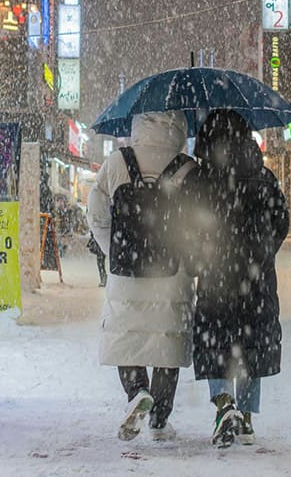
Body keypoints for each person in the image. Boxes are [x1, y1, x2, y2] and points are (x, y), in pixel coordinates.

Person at [181, 109, 289, 448]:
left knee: (216, 338)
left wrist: (198, 257)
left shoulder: (199, 179)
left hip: (217, 274)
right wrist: (264, 251)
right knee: (252, 342)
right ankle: (246, 416)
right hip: (256, 277)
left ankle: (223, 403)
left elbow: (185, 225)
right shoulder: (264, 176)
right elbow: (282, 220)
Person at [86, 111, 196, 442]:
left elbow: (95, 211)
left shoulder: (117, 161)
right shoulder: (188, 167)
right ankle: (160, 420)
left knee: (127, 337)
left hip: (126, 270)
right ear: (179, 127)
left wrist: (113, 250)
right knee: (166, 343)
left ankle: (136, 391)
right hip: (171, 272)